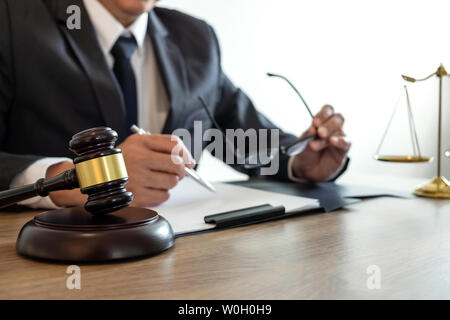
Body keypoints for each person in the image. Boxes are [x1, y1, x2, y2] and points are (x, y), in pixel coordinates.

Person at [0, 0, 351, 208]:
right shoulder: (12, 21)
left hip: (182, 261)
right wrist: (77, 180)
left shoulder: (195, 38)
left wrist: (300, 160)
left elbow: (240, 134)